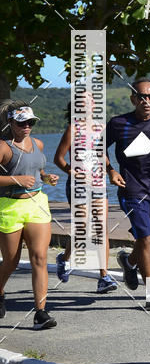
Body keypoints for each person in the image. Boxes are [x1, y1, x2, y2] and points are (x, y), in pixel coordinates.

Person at [105, 78, 150, 311]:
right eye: (142, 97)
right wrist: (111, 170)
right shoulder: (118, 123)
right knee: (145, 240)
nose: (146, 101)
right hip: (130, 188)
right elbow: (97, 147)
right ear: (133, 99)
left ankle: (128, 261)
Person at [0, 102, 60, 329]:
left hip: (37, 204)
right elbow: (19, 176)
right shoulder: (4, 147)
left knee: (39, 258)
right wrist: (16, 180)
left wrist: (46, 178)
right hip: (9, 206)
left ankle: (40, 313)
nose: (27, 126)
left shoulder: (38, 144)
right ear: (10, 123)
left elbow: (37, 171)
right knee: (11, 261)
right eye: (21, 122)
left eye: (31, 122)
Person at [54, 102, 117, 293]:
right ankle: (64, 259)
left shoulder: (101, 128)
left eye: (90, 100)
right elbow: (58, 159)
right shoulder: (73, 129)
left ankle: (104, 277)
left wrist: (111, 171)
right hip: (78, 186)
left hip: (98, 185)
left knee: (101, 230)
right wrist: (75, 173)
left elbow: (103, 155)